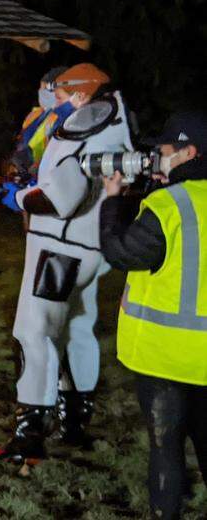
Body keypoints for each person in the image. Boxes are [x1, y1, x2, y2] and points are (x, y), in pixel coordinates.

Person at [0, 63, 131, 463]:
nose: (55, 99)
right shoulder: (112, 124)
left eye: (61, 92)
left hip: (60, 248)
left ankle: (30, 432)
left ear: (82, 94)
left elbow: (60, 198)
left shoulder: (88, 127)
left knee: (34, 331)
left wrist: (15, 198)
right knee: (76, 329)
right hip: (87, 249)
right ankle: (74, 424)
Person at [99, 110, 207, 519]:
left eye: (163, 152)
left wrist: (113, 200)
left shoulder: (168, 205)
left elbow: (121, 252)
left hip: (166, 359)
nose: (156, 159)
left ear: (188, 153)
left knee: (167, 451)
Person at [10, 67, 75, 180]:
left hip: (42, 174)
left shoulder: (65, 117)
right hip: (24, 169)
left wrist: (36, 166)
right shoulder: (39, 112)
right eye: (40, 89)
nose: (41, 93)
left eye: (44, 89)